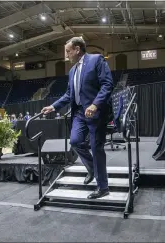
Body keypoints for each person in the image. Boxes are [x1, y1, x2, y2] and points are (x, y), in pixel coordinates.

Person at [41, 37, 113, 199]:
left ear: (77, 49)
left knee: (96, 148)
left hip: (96, 112)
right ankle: (92, 169)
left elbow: (107, 84)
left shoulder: (96, 60)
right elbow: (69, 94)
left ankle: (103, 187)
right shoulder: (72, 71)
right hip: (79, 113)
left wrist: (95, 105)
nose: (66, 55)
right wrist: (54, 106)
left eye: (68, 51)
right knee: (75, 141)